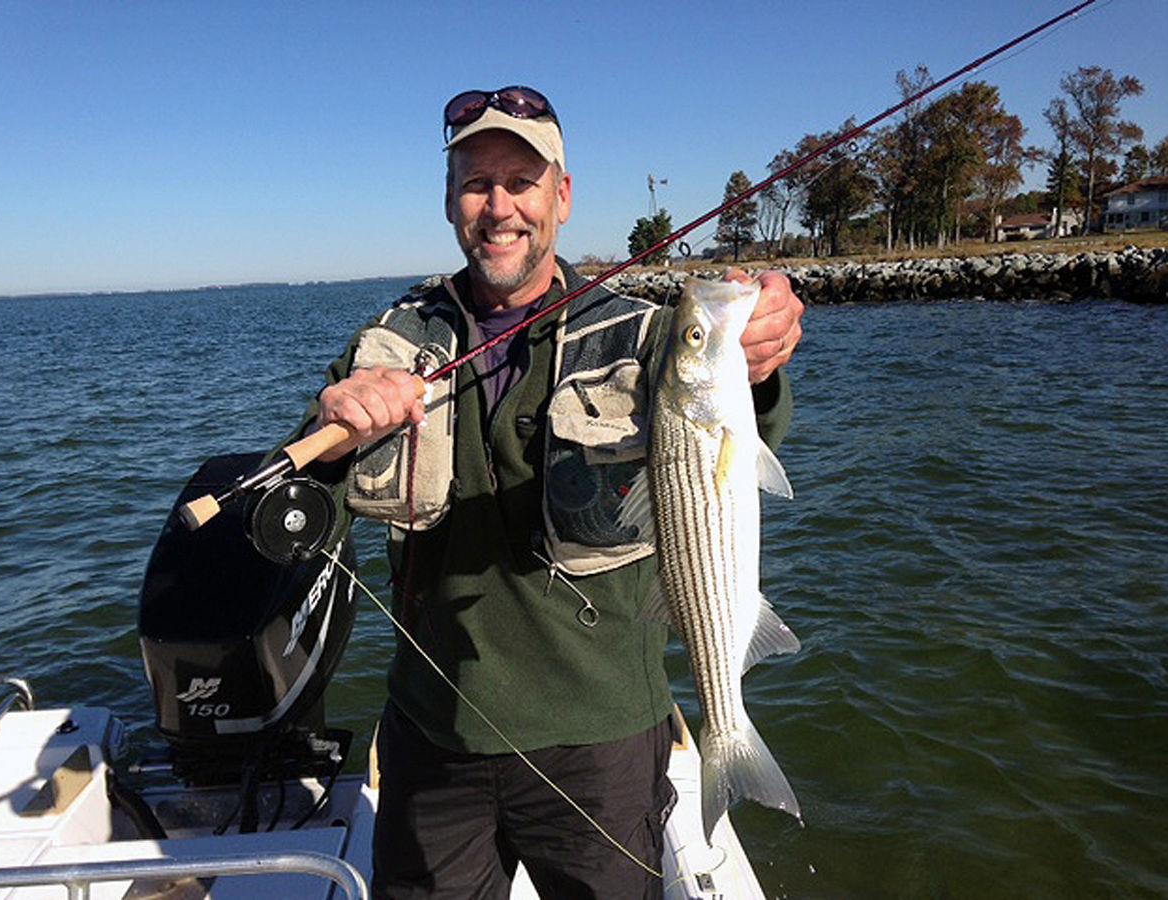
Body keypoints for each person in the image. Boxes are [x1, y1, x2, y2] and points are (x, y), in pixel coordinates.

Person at [291, 86, 803, 899]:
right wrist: (332, 426)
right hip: (435, 739)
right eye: (475, 182)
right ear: (449, 198)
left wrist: (760, 360)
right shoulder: (393, 341)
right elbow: (309, 507)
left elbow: (740, 440)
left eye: (522, 181)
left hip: (602, 742)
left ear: (562, 196)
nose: (499, 208)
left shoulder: (643, 332)